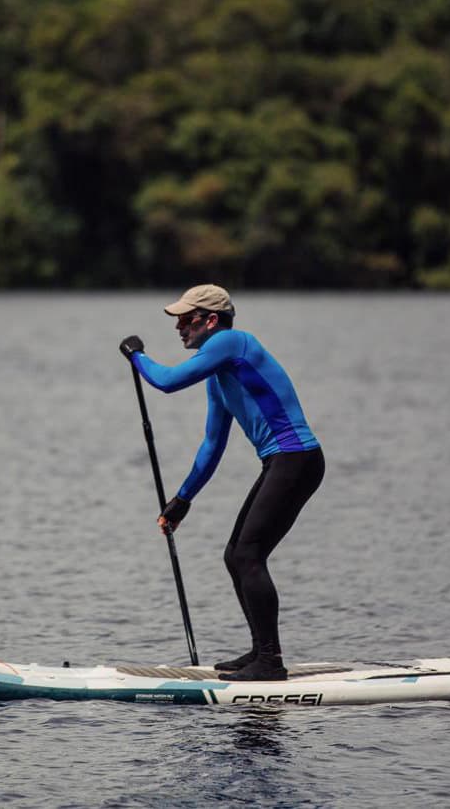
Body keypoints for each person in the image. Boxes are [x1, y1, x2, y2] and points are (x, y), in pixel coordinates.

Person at [119, 284, 324, 681]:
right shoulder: (219, 375)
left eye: (186, 319)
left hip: (296, 459)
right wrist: (183, 499)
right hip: (280, 462)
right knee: (236, 555)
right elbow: (212, 445)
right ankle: (260, 651)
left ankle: (270, 661)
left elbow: (166, 381)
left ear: (211, 320)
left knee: (248, 555)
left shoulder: (233, 343)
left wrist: (136, 354)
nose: (179, 328)